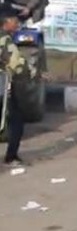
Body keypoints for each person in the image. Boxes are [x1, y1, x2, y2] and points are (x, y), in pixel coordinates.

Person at [0, 15, 36, 166]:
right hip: (4, 86)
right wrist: (33, 72)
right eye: (14, 22)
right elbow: (16, 63)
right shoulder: (4, 41)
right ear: (6, 23)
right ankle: (11, 157)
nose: (17, 25)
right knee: (16, 121)